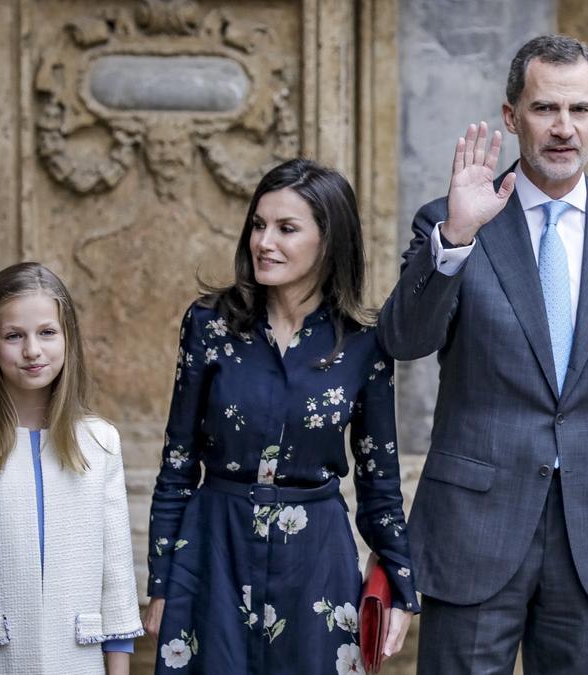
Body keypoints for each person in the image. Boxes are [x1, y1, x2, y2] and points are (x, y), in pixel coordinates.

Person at [379, 34, 588, 674]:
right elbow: (404, 341)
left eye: (577, 110)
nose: (562, 128)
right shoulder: (453, 220)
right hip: (473, 526)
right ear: (512, 117)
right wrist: (457, 236)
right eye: (544, 109)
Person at [142, 159, 417, 674]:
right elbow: (177, 462)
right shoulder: (209, 325)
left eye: (287, 229)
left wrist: (401, 587)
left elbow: (380, 478)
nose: (264, 242)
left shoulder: (365, 342)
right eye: (259, 225)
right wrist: (162, 579)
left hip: (316, 557)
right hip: (212, 551)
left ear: (328, 240)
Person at [0, 262, 142, 675]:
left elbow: (116, 578)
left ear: (68, 338)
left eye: (47, 332)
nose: (32, 350)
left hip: (77, 661)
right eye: (14, 336)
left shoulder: (100, 443)